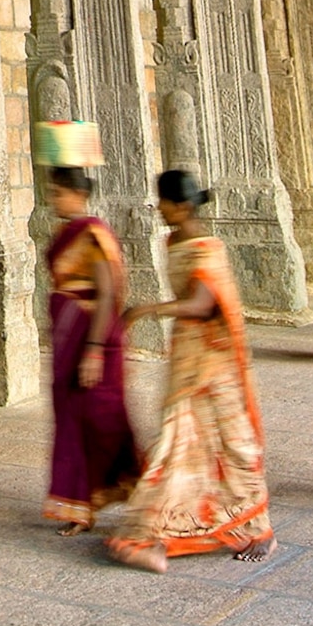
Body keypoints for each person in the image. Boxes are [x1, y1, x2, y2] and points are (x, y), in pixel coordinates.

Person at [104, 170, 271, 569]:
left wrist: (147, 309)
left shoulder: (206, 247)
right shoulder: (174, 239)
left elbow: (201, 303)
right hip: (187, 352)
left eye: (162, 201)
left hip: (214, 356)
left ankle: (257, 526)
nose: (157, 208)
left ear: (180, 205)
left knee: (231, 440)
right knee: (182, 439)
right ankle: (168, 523)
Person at [41, 162, 139, 530]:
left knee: (102, 418)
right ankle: (81, 503)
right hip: (69, 337)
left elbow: (108, 292)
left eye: (59, 193)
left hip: (92, 337)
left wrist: (94, 349)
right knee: (71, 419)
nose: (54, 200)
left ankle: (126, 484)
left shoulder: (94, 233)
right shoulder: (67, 231)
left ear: (79, 195)